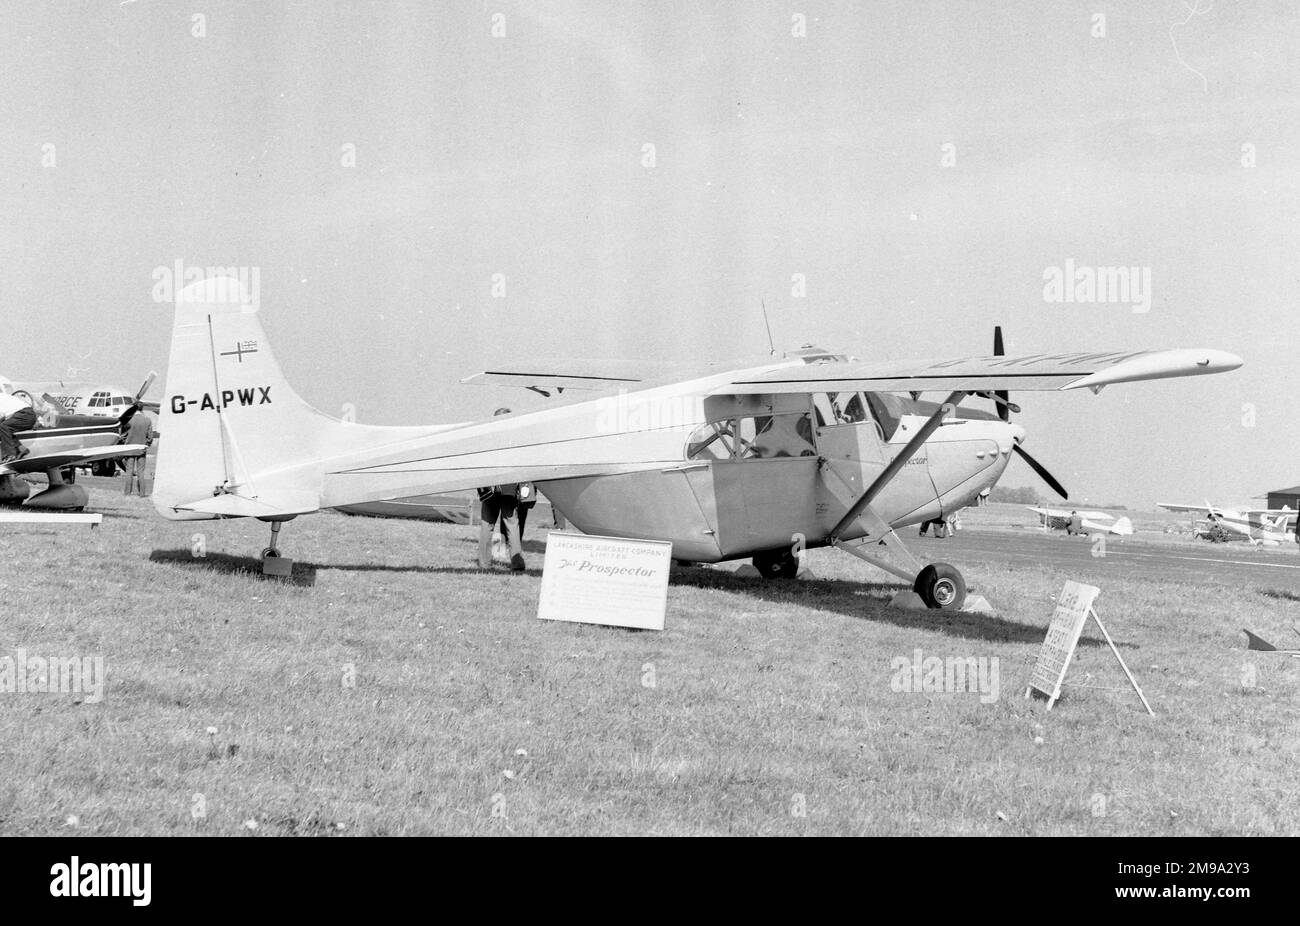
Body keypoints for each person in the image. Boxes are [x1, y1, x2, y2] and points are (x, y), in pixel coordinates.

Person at [477, 483, 524, 571]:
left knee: (486, 526)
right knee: (512, 526)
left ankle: (484, 563)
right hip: (508, 489)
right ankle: (517, 564)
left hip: (489, 488)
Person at [0, 390, 37, 463]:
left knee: (3, 427)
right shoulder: (4, 396)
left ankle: (10, 455)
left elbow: (1, 417)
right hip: (26, 414)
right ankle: (21, 449)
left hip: (25, 414)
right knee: (4, 429)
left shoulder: (1, 398)